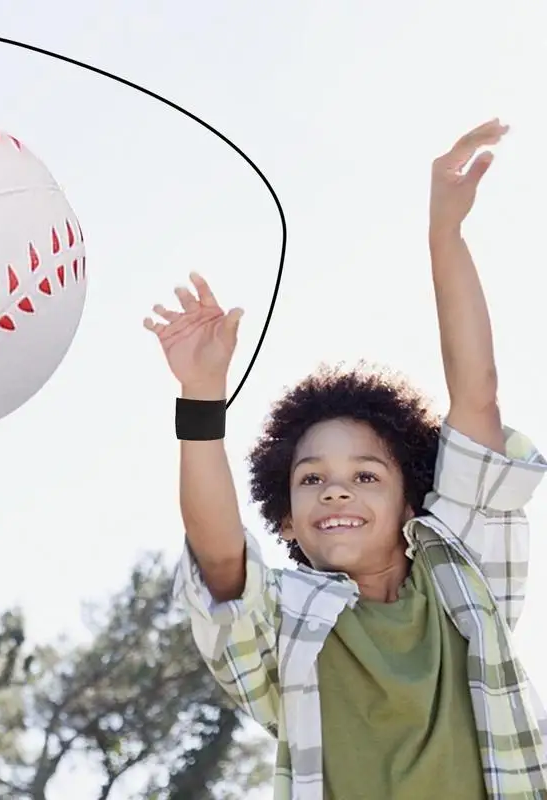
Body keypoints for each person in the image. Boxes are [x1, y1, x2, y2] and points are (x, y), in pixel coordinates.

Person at [144, 119, 547, 800]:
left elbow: (476, 395)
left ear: (410, 503)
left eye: (365, 475)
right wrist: (201, 398)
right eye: (312, 479)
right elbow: (219, 560)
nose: (336, 491)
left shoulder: (461, 580)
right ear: (289, 521)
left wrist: (444, 232)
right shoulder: (290, 622)